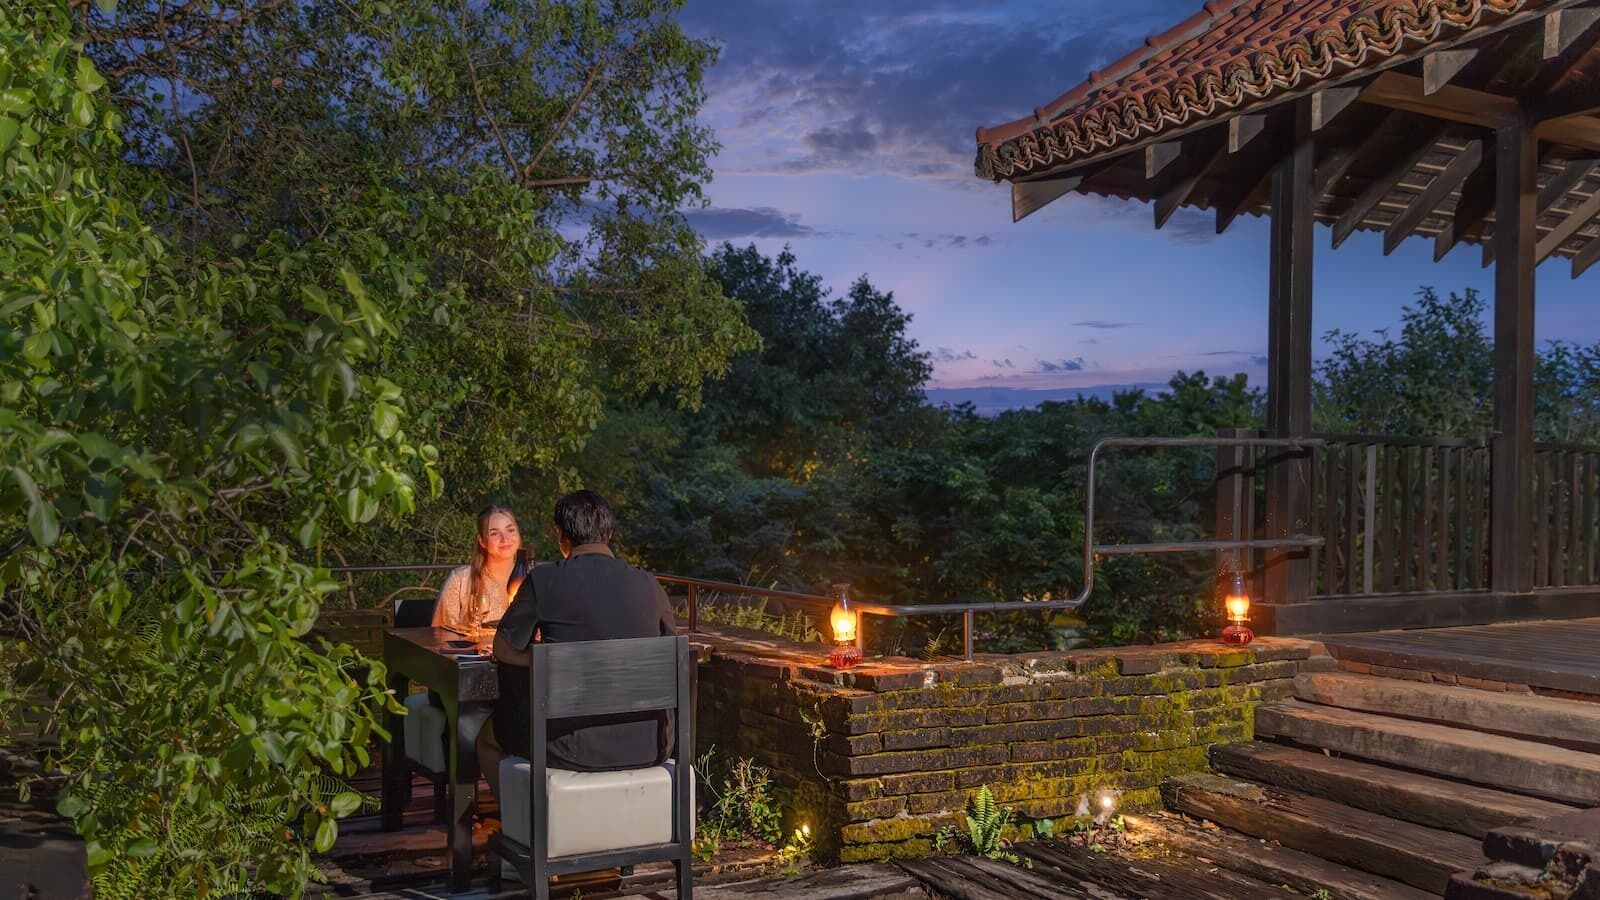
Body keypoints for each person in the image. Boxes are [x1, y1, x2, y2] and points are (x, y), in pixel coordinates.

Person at [478, 490, 677, 801]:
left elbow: (503, 650)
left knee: (487, 738)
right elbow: (667, 654)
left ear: (561, 535)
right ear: (609, 533)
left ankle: (522, 828)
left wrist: (546, 659)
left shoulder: (545, 580)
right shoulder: (650, 584)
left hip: (570, 746)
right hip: (649, 743)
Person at [432, 505, 526, 631]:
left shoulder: (533, 578)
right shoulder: (461, 581)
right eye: (494, 533)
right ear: (481, 540)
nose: (505, 539)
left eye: (510, 530)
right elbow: (440, 634)